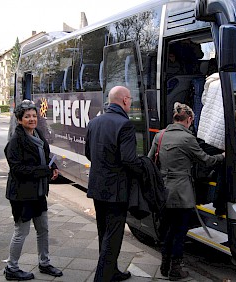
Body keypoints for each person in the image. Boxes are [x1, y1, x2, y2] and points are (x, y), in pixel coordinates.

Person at [148, 102, 224, 280]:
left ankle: (164, 265)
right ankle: (176, 269)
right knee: (179, 231)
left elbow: (150, 160)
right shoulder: (188, 138)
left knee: (167, 230)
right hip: (181, 193)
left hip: (163, 192)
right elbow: (206, 161)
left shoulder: (160, 135)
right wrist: (222, 156)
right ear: (189, 119)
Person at [85, 86, 141, 282]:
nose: (131, 102)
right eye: (130, 99)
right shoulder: (124, 124)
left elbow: (88, 153)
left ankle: (113, 270)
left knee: (104, 232)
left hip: (97, 187)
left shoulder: (94, 122)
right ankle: (103, 277)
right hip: (117, 190)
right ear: (125, 100)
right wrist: (144, 169)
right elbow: (129, 159)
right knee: (114, 236)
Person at [3, 99, 62, 281]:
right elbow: (18, 170)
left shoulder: (38, 135)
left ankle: (44, 263)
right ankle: (11, 268)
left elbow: (45, 156)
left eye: (34, 116)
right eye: (27, 116)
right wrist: (44, 171)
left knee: (43, 229)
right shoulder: (16, 141)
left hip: (38, 192)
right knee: (21, 232)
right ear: (20, 120)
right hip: (22, 194)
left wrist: (52, 168)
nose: (32, 119)